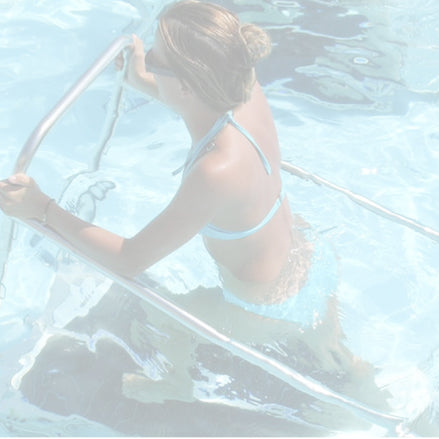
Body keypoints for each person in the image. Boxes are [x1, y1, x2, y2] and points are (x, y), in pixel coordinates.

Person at [0, 0, 319, 320]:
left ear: (184, 85)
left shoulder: (215, 172)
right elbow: (195, 97)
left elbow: (129, 260)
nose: (148, 61)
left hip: (262, 301)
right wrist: (139, 78)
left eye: (154, 59)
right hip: (303, 250)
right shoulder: (243, 83)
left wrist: (41, 208)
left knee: (160, 333)